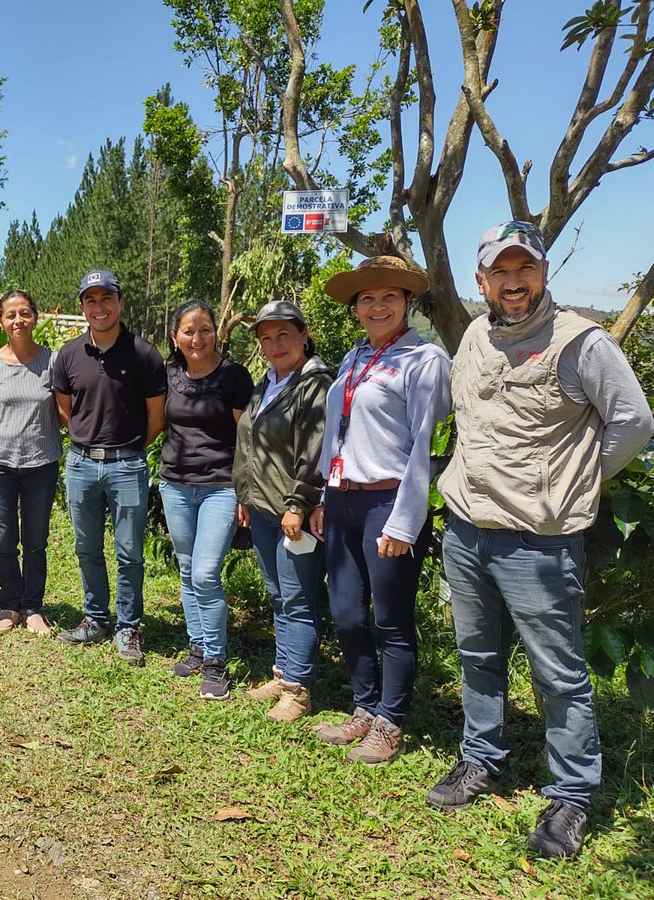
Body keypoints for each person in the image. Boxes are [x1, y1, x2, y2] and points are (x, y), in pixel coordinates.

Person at [426, 221, 653, 858]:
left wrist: (576, 480)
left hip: (541, 540)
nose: (513, 281)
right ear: (482, 280)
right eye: (501, 271)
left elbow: (634, 422)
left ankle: (572, 795)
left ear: (543, 272)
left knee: (557, 674)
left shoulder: (582, 342)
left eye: (524, 268)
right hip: (468, 529)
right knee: (477, 655)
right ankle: (481, 760)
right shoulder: (472, 334)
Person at [307, 256, 451, 764]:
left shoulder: (424, 361)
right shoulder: (352, 358)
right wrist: (326, 494)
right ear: (356, 308)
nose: (377, 305)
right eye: (367, 298)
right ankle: (364, 709)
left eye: (389, 296)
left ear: (408, 302)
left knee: (391, 619)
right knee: (345, 613)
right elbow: (337, 434)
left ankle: (390, 721)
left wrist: (405, 521)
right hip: (344, 500)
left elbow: (423, 446)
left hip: (388, 503)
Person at [52, 270, 167, 666]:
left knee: (130, 551)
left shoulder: (144, 354)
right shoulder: (68, 355)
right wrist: (87, 440)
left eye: (106, 299)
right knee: (86, 547)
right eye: (91, 300)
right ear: (82, 307)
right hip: (81, 463)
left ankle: (129, 626)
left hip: (127, 464)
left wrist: (130, 448)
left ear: (120, 302)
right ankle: (96, 617)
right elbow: (65, 409)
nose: (99, 307)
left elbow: (157, 416)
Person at [234, 300, 332, 721]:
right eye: (266, 338)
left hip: (293, 511)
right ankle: (283, 671)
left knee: (297, 599)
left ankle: (298, 689)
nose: (275, 345)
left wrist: (298, 503)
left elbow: (315, 450)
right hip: (262, 508)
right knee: (278, 595)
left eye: (283, 336)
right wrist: (245, 495)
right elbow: (251, 445)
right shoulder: (268, 382)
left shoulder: (314, 384)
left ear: (304, 334)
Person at [159, 300, 253, 699]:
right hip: (175, 485)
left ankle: (215, 661)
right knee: (185, 569)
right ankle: (197, 647)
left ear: (217, 332)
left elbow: (247, 438)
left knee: (205, 573)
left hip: (220, 486)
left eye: (205, 330)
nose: (197, 338)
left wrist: (246, 492)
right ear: (175, 337)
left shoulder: (234, 377)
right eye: (188, 331)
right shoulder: (168, 376)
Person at [0, 290, 61, 635]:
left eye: (24, 313)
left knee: (36, 539)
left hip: (41, 462)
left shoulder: (53, 362)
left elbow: (63, 410)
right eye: (10, 315)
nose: (18, 321)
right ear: (1, 321)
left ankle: (33, 607)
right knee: (4, 536)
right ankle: (10, 604)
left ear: (35, 317)